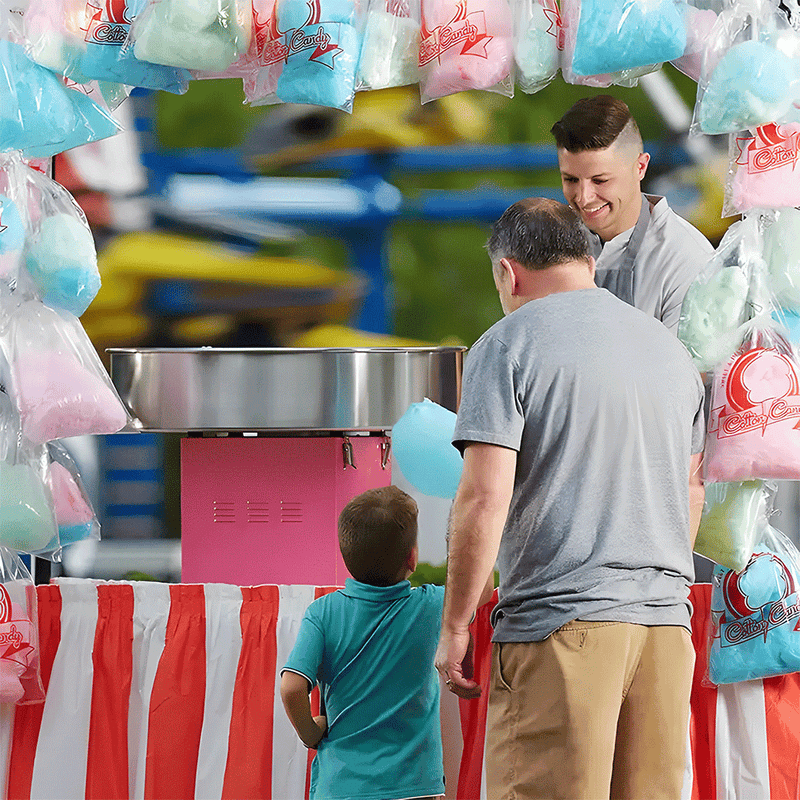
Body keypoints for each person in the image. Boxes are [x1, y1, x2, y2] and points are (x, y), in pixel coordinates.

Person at [434, 198, 706, 800]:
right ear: (588, 258)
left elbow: (484, 497)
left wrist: (457, 624)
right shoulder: (670, 352)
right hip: (665, 629)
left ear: (508, 272)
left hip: (562, 627)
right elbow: (691, 489)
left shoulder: (506, 345)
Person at [281, 485, 492, 800]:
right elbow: (481, 587)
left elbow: (291, 687)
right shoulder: (431, 606)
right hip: (414, 787)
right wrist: (462, 530)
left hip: (342, 788)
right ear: (412, 558)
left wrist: (311, 733)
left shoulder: (323, 613)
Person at [551, 94, 714, 334]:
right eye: (571, 180)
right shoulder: (555, 245)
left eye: (600, 180)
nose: (583, 197)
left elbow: (691, 370)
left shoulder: (685, 259)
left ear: (640, 167)